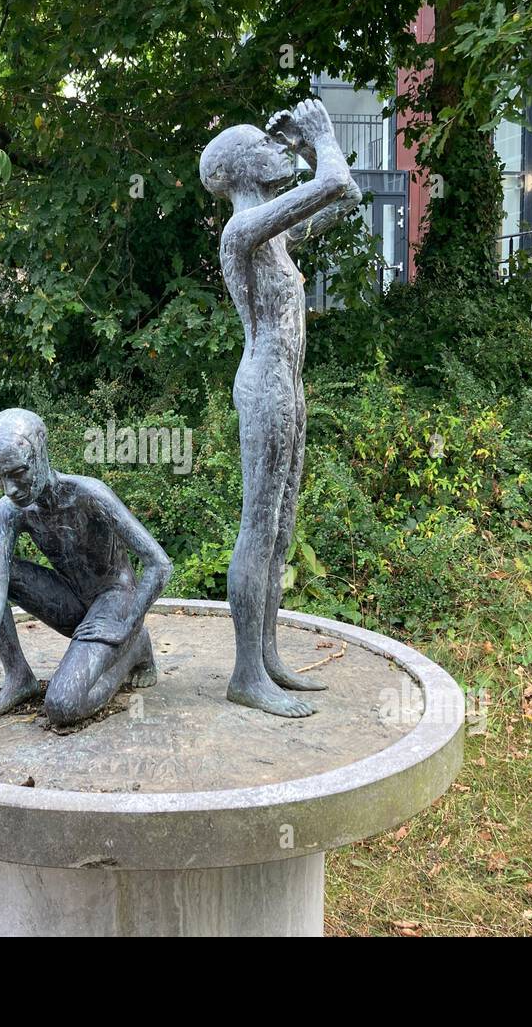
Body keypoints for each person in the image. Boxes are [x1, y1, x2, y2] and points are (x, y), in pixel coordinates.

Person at [199, 98, 361, 717]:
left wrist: (311, 144)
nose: (278, 150)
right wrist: (318, 135)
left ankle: (267, 656)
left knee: (281, 526)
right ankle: (246, 672)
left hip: (289, 386)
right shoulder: (242, 230)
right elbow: (334, 180)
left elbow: (341, 198)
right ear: (243, 169)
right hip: (264, 384)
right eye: (266, 145)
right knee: (258, 523)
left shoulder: (277, 232)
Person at [0, 408, 171, 741]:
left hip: (113, 601)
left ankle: (131, 649)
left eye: (17, 473)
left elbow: (159, 563)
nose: (9, 488)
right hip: (70, 598)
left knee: (62, 706)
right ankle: (18, 677)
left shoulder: (88, 494)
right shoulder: (10, 510)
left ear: (39, 455)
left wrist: (128, 623)